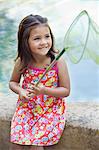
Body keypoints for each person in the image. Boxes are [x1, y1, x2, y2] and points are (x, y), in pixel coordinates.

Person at [9, 14, 70, 150]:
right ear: (26, 42)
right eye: (37, 38)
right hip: (27, 107)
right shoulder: (23, 61)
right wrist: (21, 91)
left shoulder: (58, 62)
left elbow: (66, 90)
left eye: (47, 36)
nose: (44, 42)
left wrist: (44, 90)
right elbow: (13, 82)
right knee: (15, 144)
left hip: (50, 109)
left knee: (37, 147)